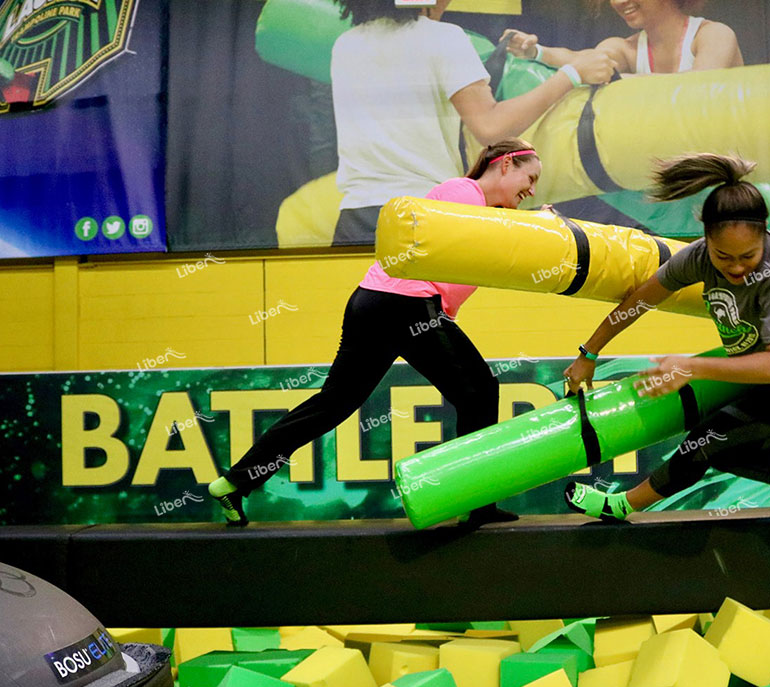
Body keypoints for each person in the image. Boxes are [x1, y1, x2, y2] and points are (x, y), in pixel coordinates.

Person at [208, 140, 544, 527]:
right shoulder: (462, 191)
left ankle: (235, 482)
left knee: (332, 404)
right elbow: (484, 237)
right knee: (480, 391)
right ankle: (477, 502)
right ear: (504, 166)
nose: (531, 190)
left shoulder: (482, 209)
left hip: (376, 304)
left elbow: (489, 247)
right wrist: (540, 225)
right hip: (406, 304)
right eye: (529, 177)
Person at [562, 153, 770, 539]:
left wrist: (691, 366)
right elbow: (641, 300)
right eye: (724, 256)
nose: (737, 268)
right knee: (720, 446)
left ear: (765, 235)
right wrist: (588, 353)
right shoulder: (699, 259)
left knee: (706, 441)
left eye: (748, 256)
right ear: (706, 238)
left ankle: (622, 505)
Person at [328, 0, 615, 243]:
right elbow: (490, 128)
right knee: (433, 310)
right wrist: (571, 75)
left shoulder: (346, 44)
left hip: (355, 219)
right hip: (426, 214)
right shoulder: (443, 38)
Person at [502, 0, 742, 77]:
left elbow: (697, 90)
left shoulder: (714, 35)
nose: (618, 2)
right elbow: (580, 58)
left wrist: (623, 80)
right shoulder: (625, 48)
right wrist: (536, 52)